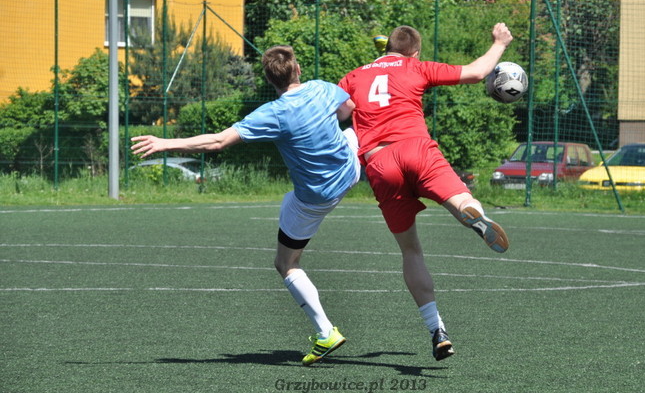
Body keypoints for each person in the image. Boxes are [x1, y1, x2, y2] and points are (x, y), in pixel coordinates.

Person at [131, 45, 360, 367]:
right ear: (298, 70)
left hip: (316, 197)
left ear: (269, 80)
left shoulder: (273, 113)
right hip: (350, 172)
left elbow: (218, 141)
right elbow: (349, 109)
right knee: (354, 134)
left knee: (286, 264)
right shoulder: (322, 88)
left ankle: (326, 333)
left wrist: (165, 143)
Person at [338, 23, 513, 361]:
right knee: (460, 198)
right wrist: (499, 43)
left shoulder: (355, 75)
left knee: (411, 251)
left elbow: (342, 111)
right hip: (416, 149)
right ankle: (471, 212)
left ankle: (437, 329)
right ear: (415, 52)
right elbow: (477, 73)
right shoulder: (416, 67)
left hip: (379, 163)